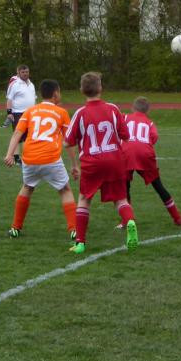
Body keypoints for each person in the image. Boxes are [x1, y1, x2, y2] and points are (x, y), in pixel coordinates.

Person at [64, 72, 138, 254]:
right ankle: (129, 222)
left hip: (92, 162)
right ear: (101, 88)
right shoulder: (113, 109)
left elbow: (67, 142)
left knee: (84, 199)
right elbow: (126, 135)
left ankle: (80, 243)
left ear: (82, 90)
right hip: (114, 160)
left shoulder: (80, 113)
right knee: (120, 199)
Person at [3, 79, 78, 241]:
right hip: (50, 158)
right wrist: (74, 165)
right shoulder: (62, 113)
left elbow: (17, 133)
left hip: (29, 158)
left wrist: (9, 154)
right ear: (56, 94)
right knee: (65, 190)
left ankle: (15, 228)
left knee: (27, 187)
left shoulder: (30, 111)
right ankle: (74, 229)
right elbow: (69, 142)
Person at [122, 96, 181, 226]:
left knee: (125, 186)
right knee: (158, 186)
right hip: (145, 154)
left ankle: (128, 220)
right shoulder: (149, 123)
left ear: (132, 108)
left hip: (126, 153)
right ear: (148, 111)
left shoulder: (125, 117)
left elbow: (118, 130)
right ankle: (177, 217)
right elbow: (154, 137)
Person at [5, 65, 36, 164]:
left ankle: (28, 155)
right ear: (18, 72)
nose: (25, 74)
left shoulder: (31, 84)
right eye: (23, 72)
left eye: (27, 72)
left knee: (29, 135)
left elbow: (33, 98)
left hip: (31, 113)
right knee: (18, 135)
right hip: (18, 113)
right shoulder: (14, 84)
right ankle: (16, 157)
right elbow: (9, 99)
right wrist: (9, 112)